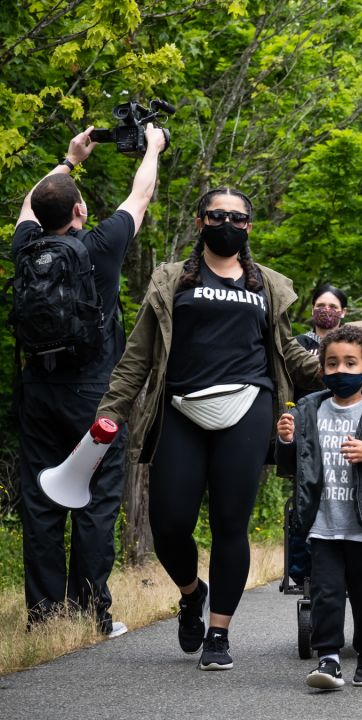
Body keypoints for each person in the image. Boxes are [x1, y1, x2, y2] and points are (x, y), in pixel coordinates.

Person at [97, 186, 321, 671]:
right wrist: (112, 409)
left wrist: (346, 371)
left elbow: (290, 355)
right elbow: (137, 356)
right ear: (200, 222)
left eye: (237, 218)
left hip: (249, 405)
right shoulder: (171, 280)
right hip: (180, 407)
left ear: (248, 228)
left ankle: (218, 634)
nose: (227, 223)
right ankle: (191, 592)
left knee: (229, 524)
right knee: (170, 524)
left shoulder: (269, 286)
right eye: (217, 215)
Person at [11, 124, 166, 637]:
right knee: (96, 497)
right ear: (79, 212)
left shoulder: (26, 246)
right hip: (93, 395)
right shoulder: (101, 246)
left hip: (37, 390)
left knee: (41, 496)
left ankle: (44, 616)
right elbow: (141, 194)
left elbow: (30, 206)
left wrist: (70, 160)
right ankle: (90, 613)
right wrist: (154, 146)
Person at [277, 324, 362, 690]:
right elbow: (291, 466)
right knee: (326, 595)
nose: (340, 371)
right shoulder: (310, 409)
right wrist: (286, 441)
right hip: (323, 525)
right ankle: (329, 659)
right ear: (322, 369)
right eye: (332, 363)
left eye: (350, 363)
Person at [296, 284, 349, 356]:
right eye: (321, 305)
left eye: (333, 307)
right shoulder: (297, 344)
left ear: (343, 312)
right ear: (312, 309)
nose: (326, 310)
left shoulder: (352, 344)